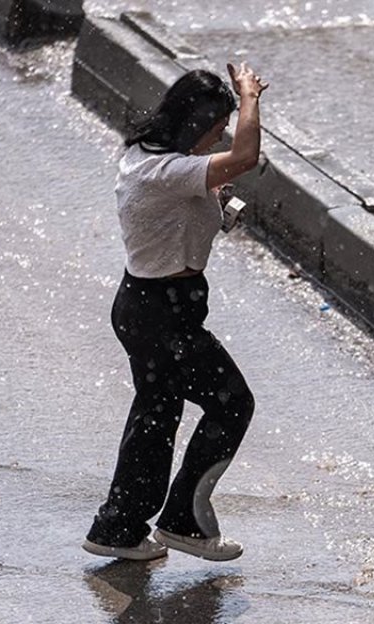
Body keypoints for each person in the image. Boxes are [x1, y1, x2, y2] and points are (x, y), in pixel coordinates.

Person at [83, 63, 268, 562]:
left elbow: (177, 211)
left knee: (156, 412)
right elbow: (245, 157)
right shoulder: (170, 172)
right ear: (195, 124)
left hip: (143, 306)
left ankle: (118, 527)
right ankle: (184, 521)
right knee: (232, 404)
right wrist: (249, 99)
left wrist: (215, 201)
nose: (220, 138)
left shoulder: (146, 156)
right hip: (164, 315)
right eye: (217, 127)